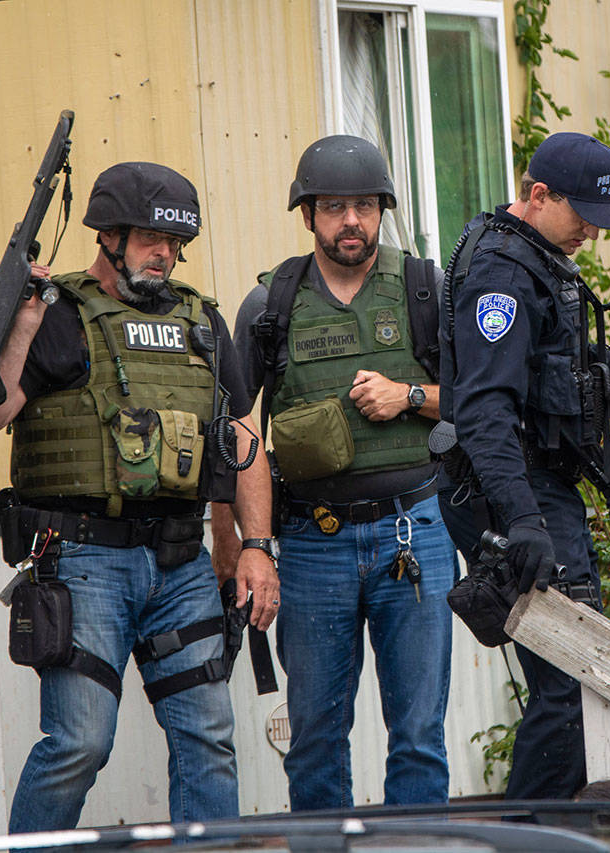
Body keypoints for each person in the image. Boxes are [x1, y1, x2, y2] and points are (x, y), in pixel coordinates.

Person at [0, 161, 278, 831]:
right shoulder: (57, 314)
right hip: (84, 559)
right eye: (151, 238)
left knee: (209, 740)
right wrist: (21, 324)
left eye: (175, 242)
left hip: (181, 560)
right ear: (109, 236)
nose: (164, 254)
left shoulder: (201, 320)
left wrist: (256, 546)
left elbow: (242, 438)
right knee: (79, 744)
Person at [217, 135, 457, 811]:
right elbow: (234, 430)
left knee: (419, 735)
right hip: (310, 543)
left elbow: (480, 401)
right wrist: (238, 544)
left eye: (363, 206)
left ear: (381, 211)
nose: (350, 221)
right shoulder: (270, 305)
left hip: (415, 532)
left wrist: (409, 395)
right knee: (316, 741)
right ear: (308, 215)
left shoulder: (426, 289)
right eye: (332, 207)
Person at [436, 132, 610, 799]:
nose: (591, 232)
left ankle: (551, 830)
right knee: (571, 689)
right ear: (538, 194)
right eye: (582, 214)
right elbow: (485, 409)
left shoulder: (538, 258)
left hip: (537, 488)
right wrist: (523, 520)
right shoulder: (503, 275)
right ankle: (528, 836)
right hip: (513, 492)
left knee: (578, 688)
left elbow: (541, 370)